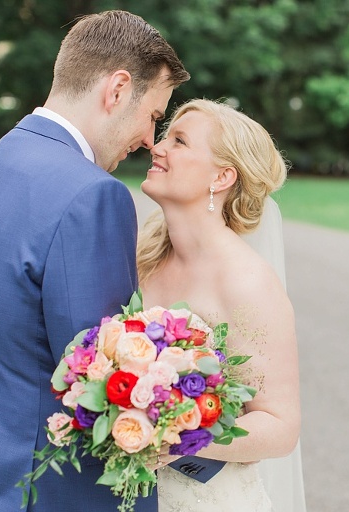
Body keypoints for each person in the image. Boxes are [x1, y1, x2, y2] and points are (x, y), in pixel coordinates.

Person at [0, 11, 189, 511]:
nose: (151, 141)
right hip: (60, 490)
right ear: (118, 89)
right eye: (153, 116)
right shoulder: (92, 197)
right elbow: (103, 386)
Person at [136, 99, 302, 511]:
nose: (157, 147)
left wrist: (184, 438)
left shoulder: (247, 281)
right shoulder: (144, 257)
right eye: (164, 137)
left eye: (179, 141)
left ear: (222, 177)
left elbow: (280, 426)